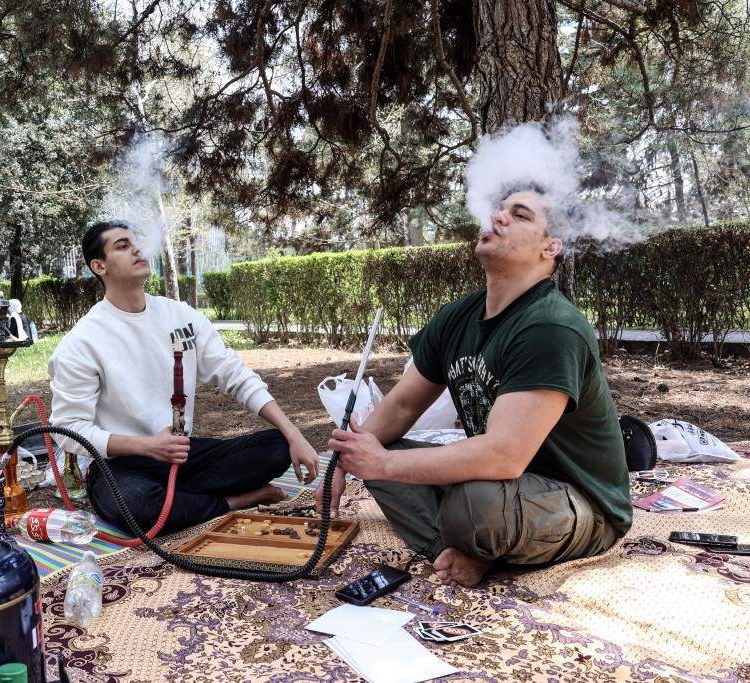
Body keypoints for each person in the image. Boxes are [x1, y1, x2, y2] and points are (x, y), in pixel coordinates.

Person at [316, 187, 633, 588]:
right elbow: (400, 407)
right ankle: (455, 554)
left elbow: (504, 456)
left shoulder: (551, 327)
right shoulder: (456, 317)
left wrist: (382, 465)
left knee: (471, 502)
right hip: (500, 487)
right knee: (375, 447)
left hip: (579, 501)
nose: (497, 217)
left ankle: (474, 542)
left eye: (520, 215)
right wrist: (342, 462)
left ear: (550, 247)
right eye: (498, 210)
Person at [48, 220, 319, 534]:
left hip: (181, 455)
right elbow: (69, 430)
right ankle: (232, 500)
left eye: (136, 242)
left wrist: (294, 433)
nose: (137, 249)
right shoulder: (82, 342)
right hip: (121, 465)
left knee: (278, 446)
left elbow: (234, 374)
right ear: (99, 266)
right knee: (137, 504)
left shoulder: (180, 316)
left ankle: (180, 503)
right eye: (122, 246)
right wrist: (148, 447)